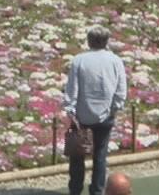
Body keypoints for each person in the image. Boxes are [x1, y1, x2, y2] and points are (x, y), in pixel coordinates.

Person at [64, 27, 128, 195]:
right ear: (106, 41)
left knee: (77, 156)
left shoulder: (79, 60)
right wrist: (115, 108)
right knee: (100, 156)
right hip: (106, 116)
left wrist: (70, 109)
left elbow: (72, 88)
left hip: (81, 117)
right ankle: (97, 191)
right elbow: (121, 89)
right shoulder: (115, 60)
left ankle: (75, 190)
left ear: (89, 40)